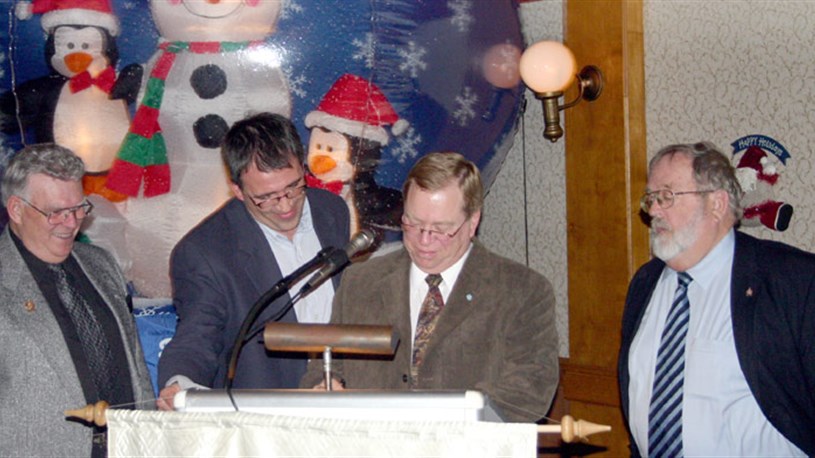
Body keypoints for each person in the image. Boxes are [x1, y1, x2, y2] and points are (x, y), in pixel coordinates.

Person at [300, 152, 559, 423]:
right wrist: (324, 387)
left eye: (440, 229)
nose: (424, 240)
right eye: (412, 223)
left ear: (472, 222)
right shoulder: (360, 283)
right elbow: (325, 368)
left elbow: (530, 389)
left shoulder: (523, 291)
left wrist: (448, 421)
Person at [618, 142, 815, 456]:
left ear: (717, 203)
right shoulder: (644, 283)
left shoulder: (792, 281)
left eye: (667, 196)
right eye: (651, 198)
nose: (653, 210)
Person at [157, 112, 350, 409]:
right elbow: (198, 335)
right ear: (237, 190)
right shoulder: (203, 252)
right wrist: (179, 384)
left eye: (294, 187)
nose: (285, 206)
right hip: (265, 412)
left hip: (342, 397)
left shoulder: (332, 210)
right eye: (266, 197)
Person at [0, 143, 153, 457]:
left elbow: (137, 367)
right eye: (56, 212)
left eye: (79, 208)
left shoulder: (102, 264)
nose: (71, 223)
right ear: (16, 209)